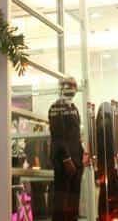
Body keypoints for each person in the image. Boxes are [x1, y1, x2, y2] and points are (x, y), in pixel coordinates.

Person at [48, 76, 84, 221]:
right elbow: (58, 135)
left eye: (74, 86)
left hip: (76, 160)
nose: (73, 89)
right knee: (62, 201)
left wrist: (82, 155)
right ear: (62, 88)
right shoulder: (56, 107)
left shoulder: (73, 108)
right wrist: (66, 159)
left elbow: (75, 136)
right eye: (69, 85)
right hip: (64, 162)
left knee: (73, 202)